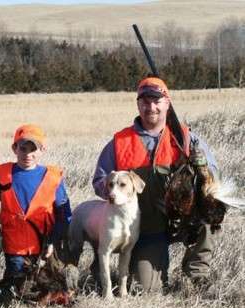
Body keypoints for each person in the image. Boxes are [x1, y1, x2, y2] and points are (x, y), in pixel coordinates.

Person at [89, 76, 218, 293]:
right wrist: (116, 189)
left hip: (182, 219)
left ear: (167, 103)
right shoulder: (120, 142)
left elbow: (213, 176)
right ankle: (109, 271)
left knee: (210, 213)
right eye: (145, 101)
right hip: (144, 227)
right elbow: (99, 181)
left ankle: (196, 276)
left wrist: (202, 167)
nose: (151, 107)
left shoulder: (186, 138)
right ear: (138, 104)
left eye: (157, 101)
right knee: (145, 289)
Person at [0, 124, 72, 301]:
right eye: (23, 148)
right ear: (14, 149)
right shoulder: (1, 173)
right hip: (15, 248)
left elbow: (64, 215)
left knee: (60, 288)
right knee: (21, 293)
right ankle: (10, 289)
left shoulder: (52, 176)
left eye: (33, 149)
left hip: (46, 248)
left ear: (42, 150)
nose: (28, 154)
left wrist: (54, 241)